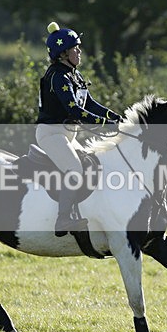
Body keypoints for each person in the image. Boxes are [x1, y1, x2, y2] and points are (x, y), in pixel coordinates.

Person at [37, 21, 122, 235]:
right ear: (63, 53)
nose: (79, 51)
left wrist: (116, 117)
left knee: (92, 164)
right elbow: (75, 110)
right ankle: (63, 219)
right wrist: (104, 124)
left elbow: (90, 104)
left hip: (66, 135)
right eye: (76, 48)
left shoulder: (73, 75)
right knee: (74, 170)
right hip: (52, 135)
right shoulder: (58, 76)